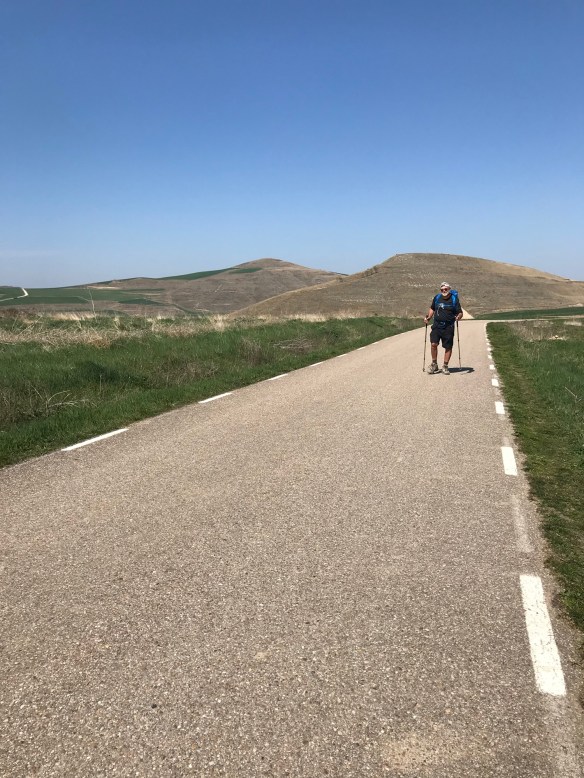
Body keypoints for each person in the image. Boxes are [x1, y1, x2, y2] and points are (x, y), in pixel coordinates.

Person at [423, 282, 463, 374]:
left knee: (448, 347)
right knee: (433, 344)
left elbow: (460, 312)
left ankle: (445, 366)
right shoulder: (437, 297)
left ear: (449, 289)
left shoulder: (454, 299)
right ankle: (434, 364)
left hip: (448, 327)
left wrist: (459, 317)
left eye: (445, 289)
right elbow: (432, 308)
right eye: (442, 290)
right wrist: (428, 317)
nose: (443, 291)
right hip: (436, 325)